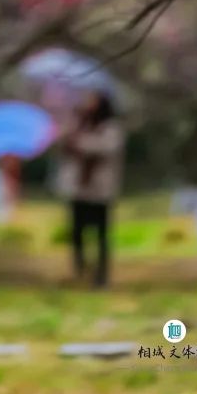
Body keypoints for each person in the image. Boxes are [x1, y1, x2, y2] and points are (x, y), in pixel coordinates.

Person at [55, 90, 124, 287]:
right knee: (77, 233)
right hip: (79, 190)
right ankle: (80, 269)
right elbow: (64, 145)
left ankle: (101, 276)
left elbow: (102, 149)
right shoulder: (79, 125)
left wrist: (78, 141)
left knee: (101, 235)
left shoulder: (110, 129)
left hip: (101, 191)